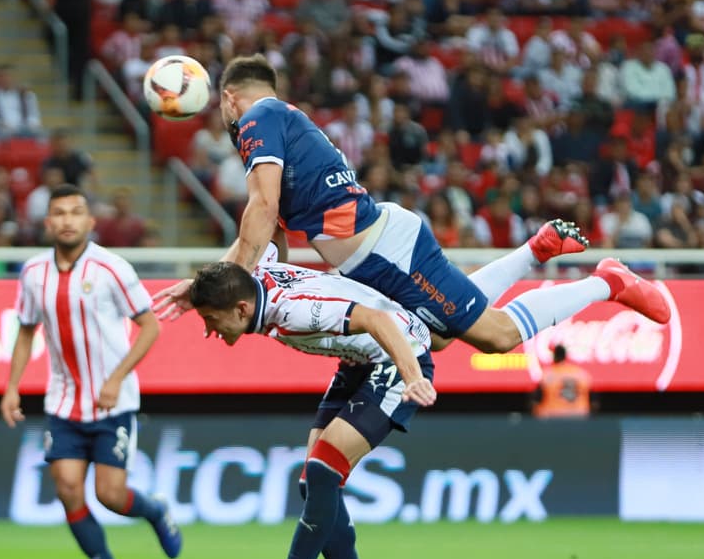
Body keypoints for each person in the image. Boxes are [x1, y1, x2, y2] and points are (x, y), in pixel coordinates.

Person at [153, 56, 672, 355]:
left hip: (384, 252)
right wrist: (206, 286)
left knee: (497, 338)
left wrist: (221, 283)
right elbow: (269, 239)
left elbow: (261, 213)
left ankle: (608, 281)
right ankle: (533, 252)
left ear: (225, 98)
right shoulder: (278, 124)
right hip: (374, 253)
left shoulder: (257, 118)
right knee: (440, 340)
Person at [188, 257, 437, 559]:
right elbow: (265, 226)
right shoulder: (254, 278)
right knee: (314, 485)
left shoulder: (295, 311)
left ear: (242, 310)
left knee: (323, 471)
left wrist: (412, 376)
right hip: (358, 363)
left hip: (396, 356)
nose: (210, 330)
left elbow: (378, 320)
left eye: (213, 319)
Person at [0, 184, 181, 559]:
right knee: (66, 488)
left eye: (75, 212)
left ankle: (154, 510)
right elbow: (26, 333)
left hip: (112, 401)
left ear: (90, 222)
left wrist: (116, 378)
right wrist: (11, 388)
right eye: (59, 213)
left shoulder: (112, 268)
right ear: (48, 222)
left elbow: (150, 326)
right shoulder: (32, 273)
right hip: (62, 401)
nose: (67, 220)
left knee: (110, 495)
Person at [532, 344, 592, 418]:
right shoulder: (581, 374)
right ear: (565, 356)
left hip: (554, 417)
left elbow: (536, 401)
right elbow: (594, 401)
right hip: (579, 416)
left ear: (554, 356)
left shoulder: (548, 374)